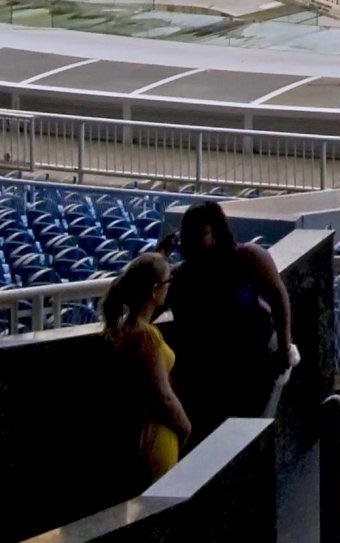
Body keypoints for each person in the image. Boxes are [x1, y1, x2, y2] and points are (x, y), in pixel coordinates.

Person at [166, 202, 296, 438]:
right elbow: (145, 299)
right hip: (208, 375)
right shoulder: (180, 276)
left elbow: (279, 297)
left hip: (254, 366)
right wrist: (160, 255)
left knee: (248, 433)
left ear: (216, 232)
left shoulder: (248, 257)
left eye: (201, 233)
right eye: (188, 233)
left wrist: (284, 346)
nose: (193, 239)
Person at [101, 253, 189, 486]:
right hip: (156, 440)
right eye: (168, 282)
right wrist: (185, 427)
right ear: (154, 290)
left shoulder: (124, 329)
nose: (170, 288)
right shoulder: (147, 336)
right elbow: (164, 396)